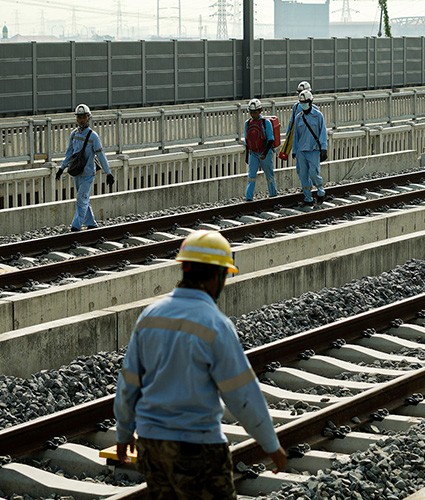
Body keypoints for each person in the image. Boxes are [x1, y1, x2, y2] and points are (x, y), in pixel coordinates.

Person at [114, 230, 288, 497]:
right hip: (197, 448)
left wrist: (124, 433)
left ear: (185, 268)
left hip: (152, 445)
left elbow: (128, 383)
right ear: (217, 276)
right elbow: (241, 394)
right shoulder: (215, 325)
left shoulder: (150, 317)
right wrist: (270, 444)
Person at [55, 104, 114, 232]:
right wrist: (61, 168)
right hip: (77, 173)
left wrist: (108, 173)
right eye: (79, 117)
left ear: (88, 118)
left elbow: (101, 155)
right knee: (84, 198)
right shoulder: (74, 134)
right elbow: (69, 153)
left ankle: (76, 226)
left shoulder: (93, 136)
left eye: (84, 117)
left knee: (81, 198)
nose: (81, 120)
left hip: (88, 174)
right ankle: (91, 223)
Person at [292, 89, 328, 206]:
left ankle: (320, 191)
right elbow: (296, 136)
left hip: (313, 150)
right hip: (301, 151)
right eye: (302, 103)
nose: (303, 105)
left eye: (305, 102)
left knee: (313, 173)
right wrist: (294, 151)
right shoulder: (298, 117)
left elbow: (323, 132)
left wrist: (324, 148)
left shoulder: (318, 116)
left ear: (310, 102)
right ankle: (308, 198)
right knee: (303, 175)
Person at [244, 98, 277, 200]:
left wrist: (264, 153)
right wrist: (247, 156)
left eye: (255, 112)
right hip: (253, 153)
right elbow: (247, 141)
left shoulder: (266, 123)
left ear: (260, 111)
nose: (253, 114)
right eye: (251, 112)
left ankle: (273, 195)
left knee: (269, 175)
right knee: (251, 176)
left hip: (265, 152)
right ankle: (249, 197)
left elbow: (270, 139)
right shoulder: (247, 123)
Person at [278, 81, 311, 162]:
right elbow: (292, 122)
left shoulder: (313, 110)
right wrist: (288, 134)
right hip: (300, 136)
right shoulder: (296, 107)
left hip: (306, 137)